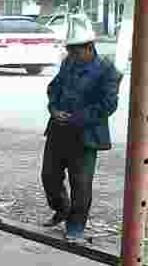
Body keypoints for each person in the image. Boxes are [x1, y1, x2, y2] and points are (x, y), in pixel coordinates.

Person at [41, 18, 121, 242]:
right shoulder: (68, 63)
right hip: (58, 130)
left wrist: (76, 118)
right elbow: (53, 88)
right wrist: (54, 109)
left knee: (81, 183)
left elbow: (108, 105)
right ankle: (61, 208)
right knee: (49, 176)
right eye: (70, 52)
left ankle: (76, 226)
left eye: (76, 52)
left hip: (85, 137)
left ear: (89, 48)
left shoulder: (106, 70)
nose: (72, 57)